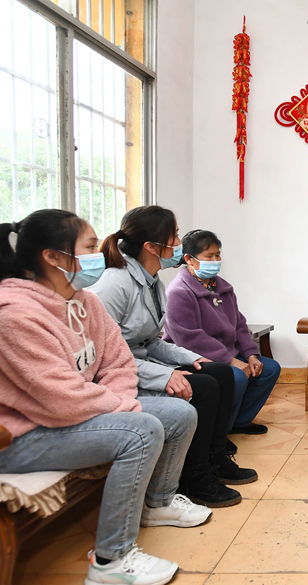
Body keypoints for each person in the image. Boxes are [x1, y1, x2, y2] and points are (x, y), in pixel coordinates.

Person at [0, 210, 211, 585]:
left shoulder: (86, 302)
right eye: (88, 246)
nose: (99, 253)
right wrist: (122, 410)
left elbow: (119, 363)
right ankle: (111, 561)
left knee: (179, 414)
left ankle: (158, 503)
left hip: (79, 414)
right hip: (23, 436)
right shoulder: (15, 315)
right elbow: (60, 398)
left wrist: (119, 402)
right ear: (53, 257)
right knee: (140, 431)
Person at [90, 206, 256, 508]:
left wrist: (193, 358)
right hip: (118, 375)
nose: (179, 243)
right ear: (152, 247)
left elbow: (151, 343)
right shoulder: (114, 283)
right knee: (203, 387)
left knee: (218, 371)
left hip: (141, 362)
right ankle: (195, 476)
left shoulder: (153, 281)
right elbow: (107, 357)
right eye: (175, 236)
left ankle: (215, 457)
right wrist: (165, 375)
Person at [163, 229, 281, 436]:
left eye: (217, 255)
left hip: (226, 354)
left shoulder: (223, 287)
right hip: (194, 358)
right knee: (236, 377)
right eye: (209, 256)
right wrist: (229, 360)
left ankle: (239, 421)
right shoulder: (178, 292)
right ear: (189, 259)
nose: (215, 261)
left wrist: (251, 355)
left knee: (269, 368)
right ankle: (219, 432)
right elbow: (190, 339)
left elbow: (239, 324)